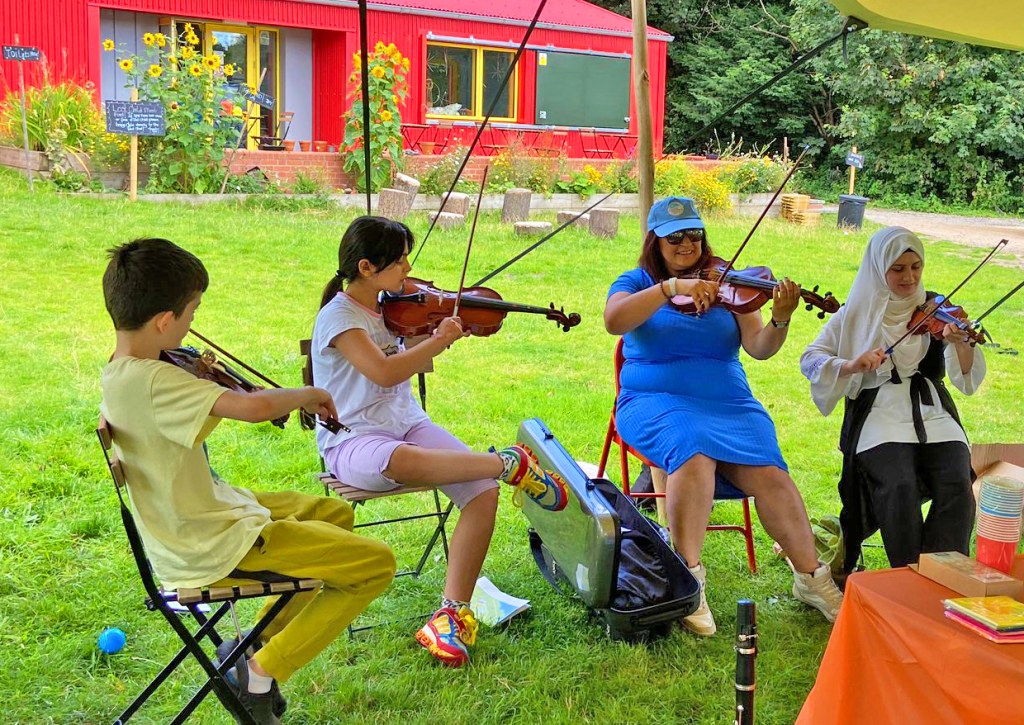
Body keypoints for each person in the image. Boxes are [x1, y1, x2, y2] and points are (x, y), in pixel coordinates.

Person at [100, 238, 396, 725]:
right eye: (192, 310)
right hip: (209, 541)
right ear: (162, 321)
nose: (194, 322)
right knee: (375, 564)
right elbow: (254, 408)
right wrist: (307, 392)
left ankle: (251, 642)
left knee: (335, 514)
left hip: (196, 514)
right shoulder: (155, 382)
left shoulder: (125, 372)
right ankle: (259, 672)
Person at [311, 216, 568, 667]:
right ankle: (506, 463)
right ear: (367, 267)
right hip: (353, 438)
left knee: (482, 495)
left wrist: (430, 331)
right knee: (398, 461)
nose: (409, 267)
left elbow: (403, 354)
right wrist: (441, 340)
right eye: (400, 260)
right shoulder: (339, 316)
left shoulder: (390, 303)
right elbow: (386, 371)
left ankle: (451, 613)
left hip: (405, 421)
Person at [603, 196, 843, 636]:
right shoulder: (637, 280)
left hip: (729, 401)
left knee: (773, 476)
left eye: (694, 234)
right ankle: (688, 577)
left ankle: (812, 578)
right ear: (654, 241)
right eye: (674, 236)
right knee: (693, 451)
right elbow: (614, 321)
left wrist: (782, 319)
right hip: (655, 397)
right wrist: (669, 289)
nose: (686, 244)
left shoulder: (730, 280)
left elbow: (760, 348)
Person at [800, 226, 985, 573]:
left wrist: (960, 342)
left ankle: (942, 572)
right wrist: (851, 364)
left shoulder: (936, 310)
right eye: (898, 269)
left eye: (916, 267)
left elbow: (966, 379)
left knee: (957, 482)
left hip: (931, 410)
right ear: (878, 268)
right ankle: (909, 572)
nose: (909, 277)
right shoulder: (854, 313)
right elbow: (810, 359)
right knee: (897, 485)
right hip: (878, 414)